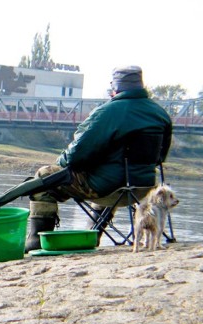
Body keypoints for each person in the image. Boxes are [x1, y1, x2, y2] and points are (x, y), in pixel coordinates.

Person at [25, 65, 173, 252]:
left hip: (110, 189)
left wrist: (59, 165)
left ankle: (36, 241)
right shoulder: (160, 114)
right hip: (143, 188)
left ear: (115, 88)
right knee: (107, 177)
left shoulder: (108, 112)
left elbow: (74, 156)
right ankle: (93, 233)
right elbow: (161, 157)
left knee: (45, 177)